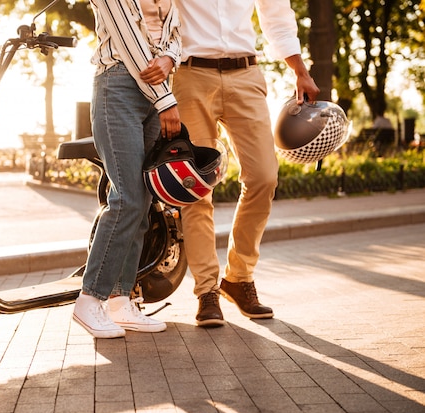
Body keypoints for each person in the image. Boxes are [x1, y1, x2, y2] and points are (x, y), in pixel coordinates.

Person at [171, 0, 320, 326]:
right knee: (197, 188)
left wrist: (300, 70)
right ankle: (206, 290)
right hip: (190, 74)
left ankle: (238, 278)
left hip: (246, 74)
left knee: (264, 177)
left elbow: (277, 15)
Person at [72, 0, 182, 338]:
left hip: (155, 91)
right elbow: (128, 40)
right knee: (127, 199)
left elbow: (178, 33)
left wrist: (170, 58)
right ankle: (89, 300)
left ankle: (121, 300)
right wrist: (165, 99)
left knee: (143, 201)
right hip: (119, 86)